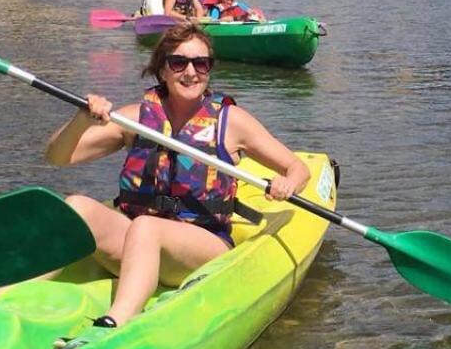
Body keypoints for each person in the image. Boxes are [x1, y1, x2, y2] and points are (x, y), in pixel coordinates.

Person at [45, 24, 310, 327]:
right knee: (77, 205)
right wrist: (81, 120)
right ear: (163, 70)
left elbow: (297, 168)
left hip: (203, 247)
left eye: (201, 63)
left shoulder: (231, 122)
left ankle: (115, 322)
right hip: (136, 243)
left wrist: (287, 183)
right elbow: (58, 156)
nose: (191, 72)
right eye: (179, 62)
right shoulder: (136, 119)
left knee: (147, 227)